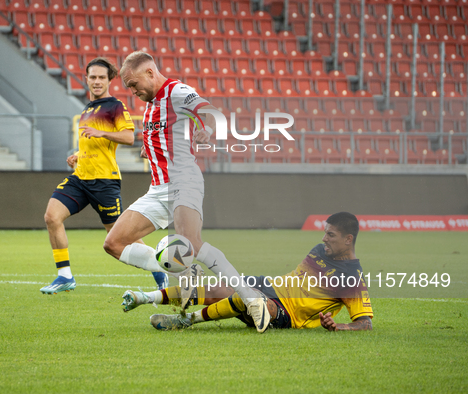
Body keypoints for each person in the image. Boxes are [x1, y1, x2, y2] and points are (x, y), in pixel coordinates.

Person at [102, 51, 272, 333]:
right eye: (128, 87)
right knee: (114, 244)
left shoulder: (177, 91)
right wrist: (150, 149)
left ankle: (252, 299)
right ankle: (181, 268)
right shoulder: (151, 106)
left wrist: (205, 129)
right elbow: (165, 138)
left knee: (190, 242)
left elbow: (210, 112)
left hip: (183, 180)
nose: (132, 91)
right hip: (158, 189)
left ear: (150, 72)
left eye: (133, 84)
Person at [122, 212, 374, 332]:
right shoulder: (320, 249)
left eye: (331, 235)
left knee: (246, 296)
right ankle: (147, 297)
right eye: (325, 232)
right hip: (270, 285)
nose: (324, 238)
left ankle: (184, 321)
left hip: (284, 312)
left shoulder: (352, 280)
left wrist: (339, 326)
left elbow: (365, 324)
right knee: (216, 287)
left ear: (348, 239)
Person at [40, 57, 167, 294]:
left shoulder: (114, 106)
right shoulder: (88, 108)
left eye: (101, 77)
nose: (96, 81)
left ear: (109, 80)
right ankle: (64, 276)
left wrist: (100, 132)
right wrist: (79, 154)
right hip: (80, 178)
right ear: (86, 79)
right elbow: (95, 142)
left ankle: (159, 269)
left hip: (104, 182)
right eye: (92, 77)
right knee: (51, 216)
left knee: (121, 237)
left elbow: (129, 137)